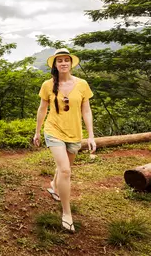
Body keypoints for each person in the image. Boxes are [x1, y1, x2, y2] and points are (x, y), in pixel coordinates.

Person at [33, 48, 96, 233]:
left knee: (64, 168)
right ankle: (67, 213)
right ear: (55, 64)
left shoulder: (82, 84)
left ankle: (54, 185)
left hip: (74, 133)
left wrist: (91, 135)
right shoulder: (47, 85)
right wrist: (37, 132)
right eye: (59, 60)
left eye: (66, 60)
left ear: (71, 63)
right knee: (66, 170)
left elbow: (86, 110)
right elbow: (42, 109)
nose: (63, 63)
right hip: (54, 130)